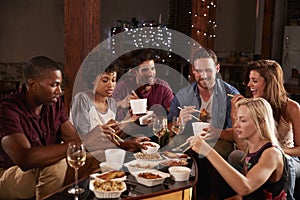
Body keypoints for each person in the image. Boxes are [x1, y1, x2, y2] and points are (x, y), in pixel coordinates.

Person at [0, 56, 88, 199]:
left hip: (40, 170)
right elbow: (25, 158)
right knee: (55, 166)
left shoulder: (54, 103)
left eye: (60, 85)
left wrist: (110, 139)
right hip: (7, 174)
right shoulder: (7, 109)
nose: (60, 91)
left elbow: (74, 139)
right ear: (33, 84)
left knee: (98, 156)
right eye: (54, 85)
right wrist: (80, 143)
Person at [167, 48, 240, 199]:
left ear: (217, 68)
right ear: (193, 70)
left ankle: (210, 196)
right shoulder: (184, 94)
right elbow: (169, 128)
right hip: (190, 139)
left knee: (207, 152)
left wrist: (219, 132)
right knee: (174, 146)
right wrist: (179, 122)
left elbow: (240, 133)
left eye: (208, 70)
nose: (204, 76)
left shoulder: (231, 95)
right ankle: (179, 193)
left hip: (221, 141)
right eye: (199, 71)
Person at [190, 98, 288, 199]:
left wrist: (208, 151)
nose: (236, 125)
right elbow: (246, 196)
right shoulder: (252, 149)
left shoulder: (272, 154)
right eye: (236, 119)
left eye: (243, 120)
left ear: (261, 122)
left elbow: (245, 188)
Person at [229, 59, 300, 199]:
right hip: (259, 154)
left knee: (286, 163)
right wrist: (234, 115)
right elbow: (243, 148)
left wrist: (275, 151)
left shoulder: (292, 108)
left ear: (269, 83)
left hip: (288, 157)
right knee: (235, 156)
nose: (249, 85)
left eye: (254, 81)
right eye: (249, 80)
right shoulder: (252, 105)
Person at [70, 60, 149, 158]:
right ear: (92, 80)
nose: (111, 85)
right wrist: (124, 144)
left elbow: (113, 137)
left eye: (113, 80)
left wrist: (130, 119)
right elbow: (84, 141)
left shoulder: (111, 103)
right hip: (83, 152)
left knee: (138, 139)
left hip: (103, 149)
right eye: (105, 80)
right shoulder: (82, 99)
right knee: (116, 152)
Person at [112, 49, 174, 122]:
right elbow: (105, 108)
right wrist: (122, 103)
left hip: (154, 130)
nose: (151, 73)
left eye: (152, 68)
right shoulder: (123, 87)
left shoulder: (162, 87)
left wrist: (159, 120)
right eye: (145, 70)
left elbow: (174, 113)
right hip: (127, 130)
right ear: (135, 72)